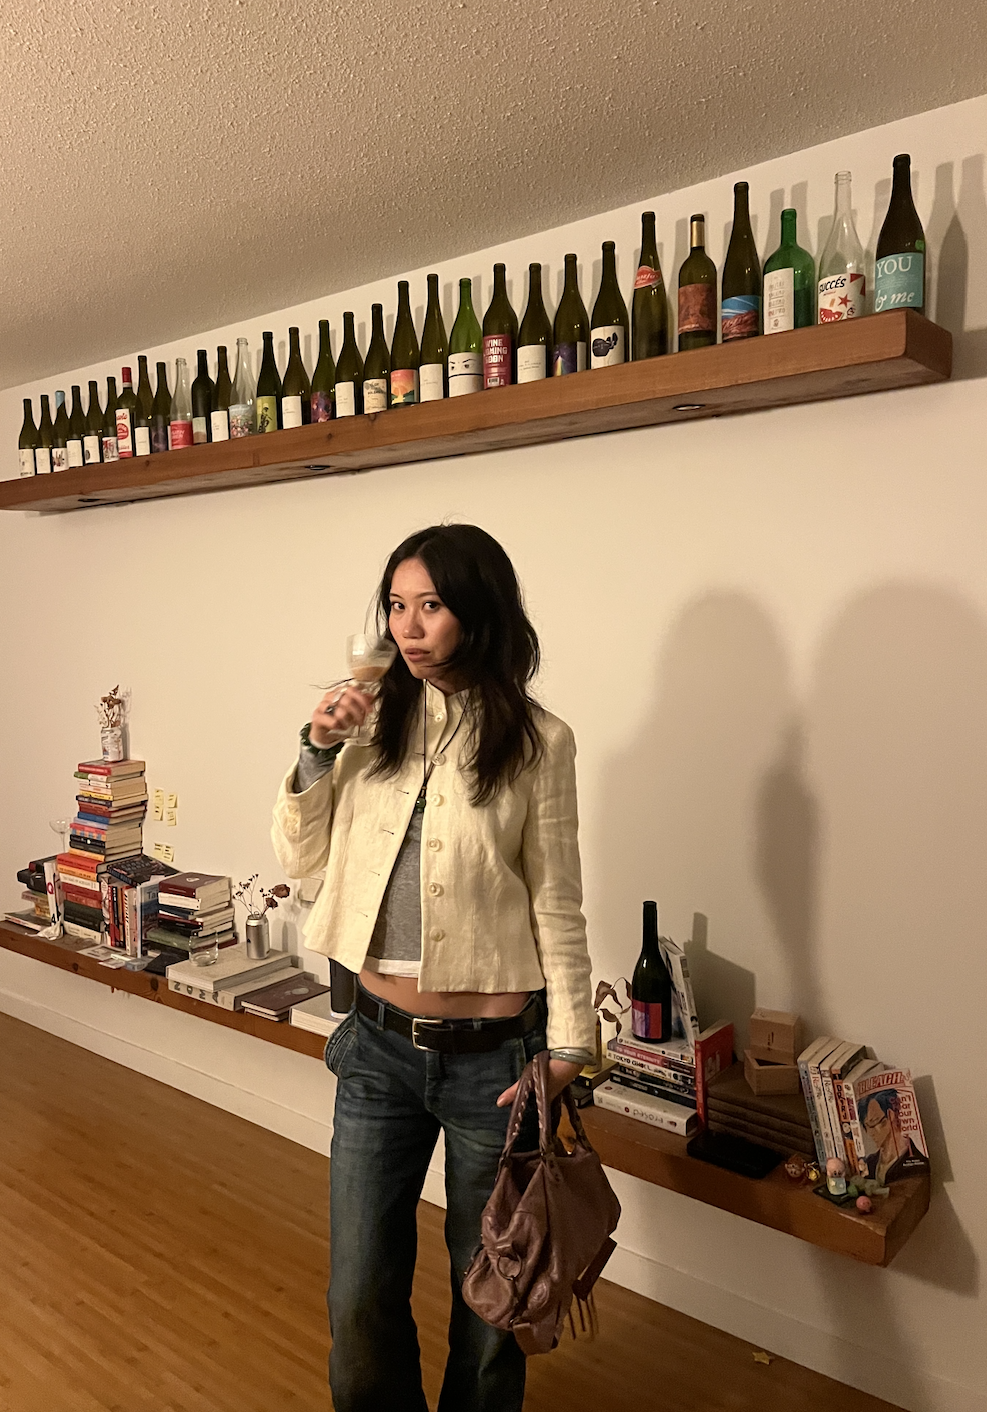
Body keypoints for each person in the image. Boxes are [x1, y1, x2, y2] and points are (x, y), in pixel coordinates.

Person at [271, 523, 596, 1412]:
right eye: (397, 605)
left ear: (479, 613)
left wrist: (571, 1045)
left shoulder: (539, 742)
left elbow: (556, 899)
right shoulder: (370, 726)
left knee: (491, 1302)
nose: (409, 627)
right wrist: (315, 749)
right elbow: (303, 861)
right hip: (375, 1050)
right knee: (360, 1290)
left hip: (496, 1063)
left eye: (432, 605)